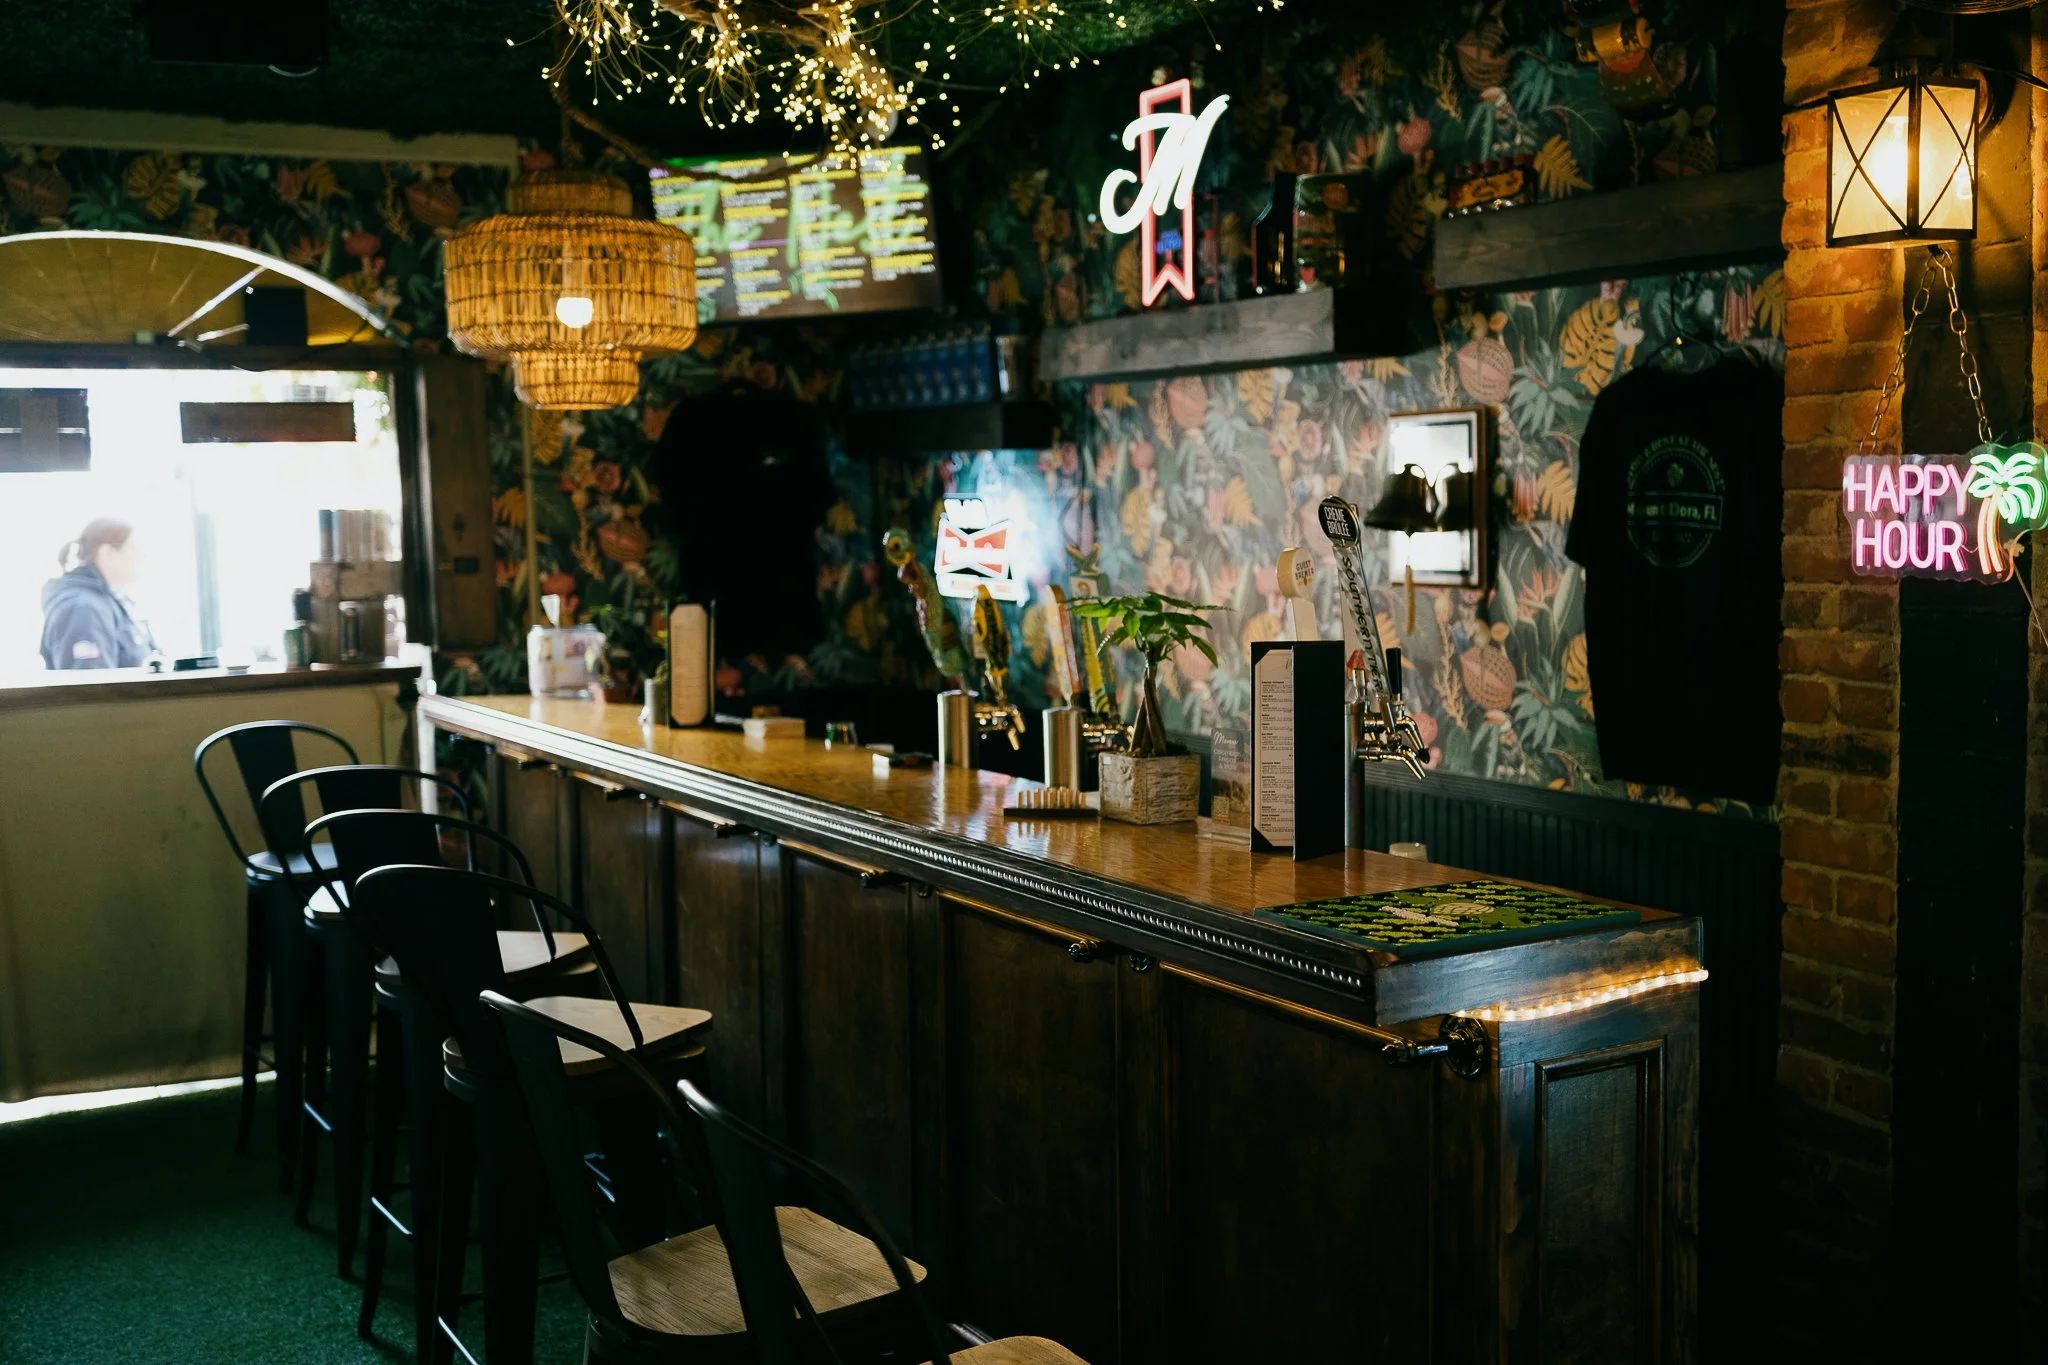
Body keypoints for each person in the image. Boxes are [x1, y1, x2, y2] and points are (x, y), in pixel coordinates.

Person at [40, 518, 156, 670]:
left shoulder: (112, 604)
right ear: (107, 553)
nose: (142, 555)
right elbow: (89, 689)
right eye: (134, 548)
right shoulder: (83, 610)